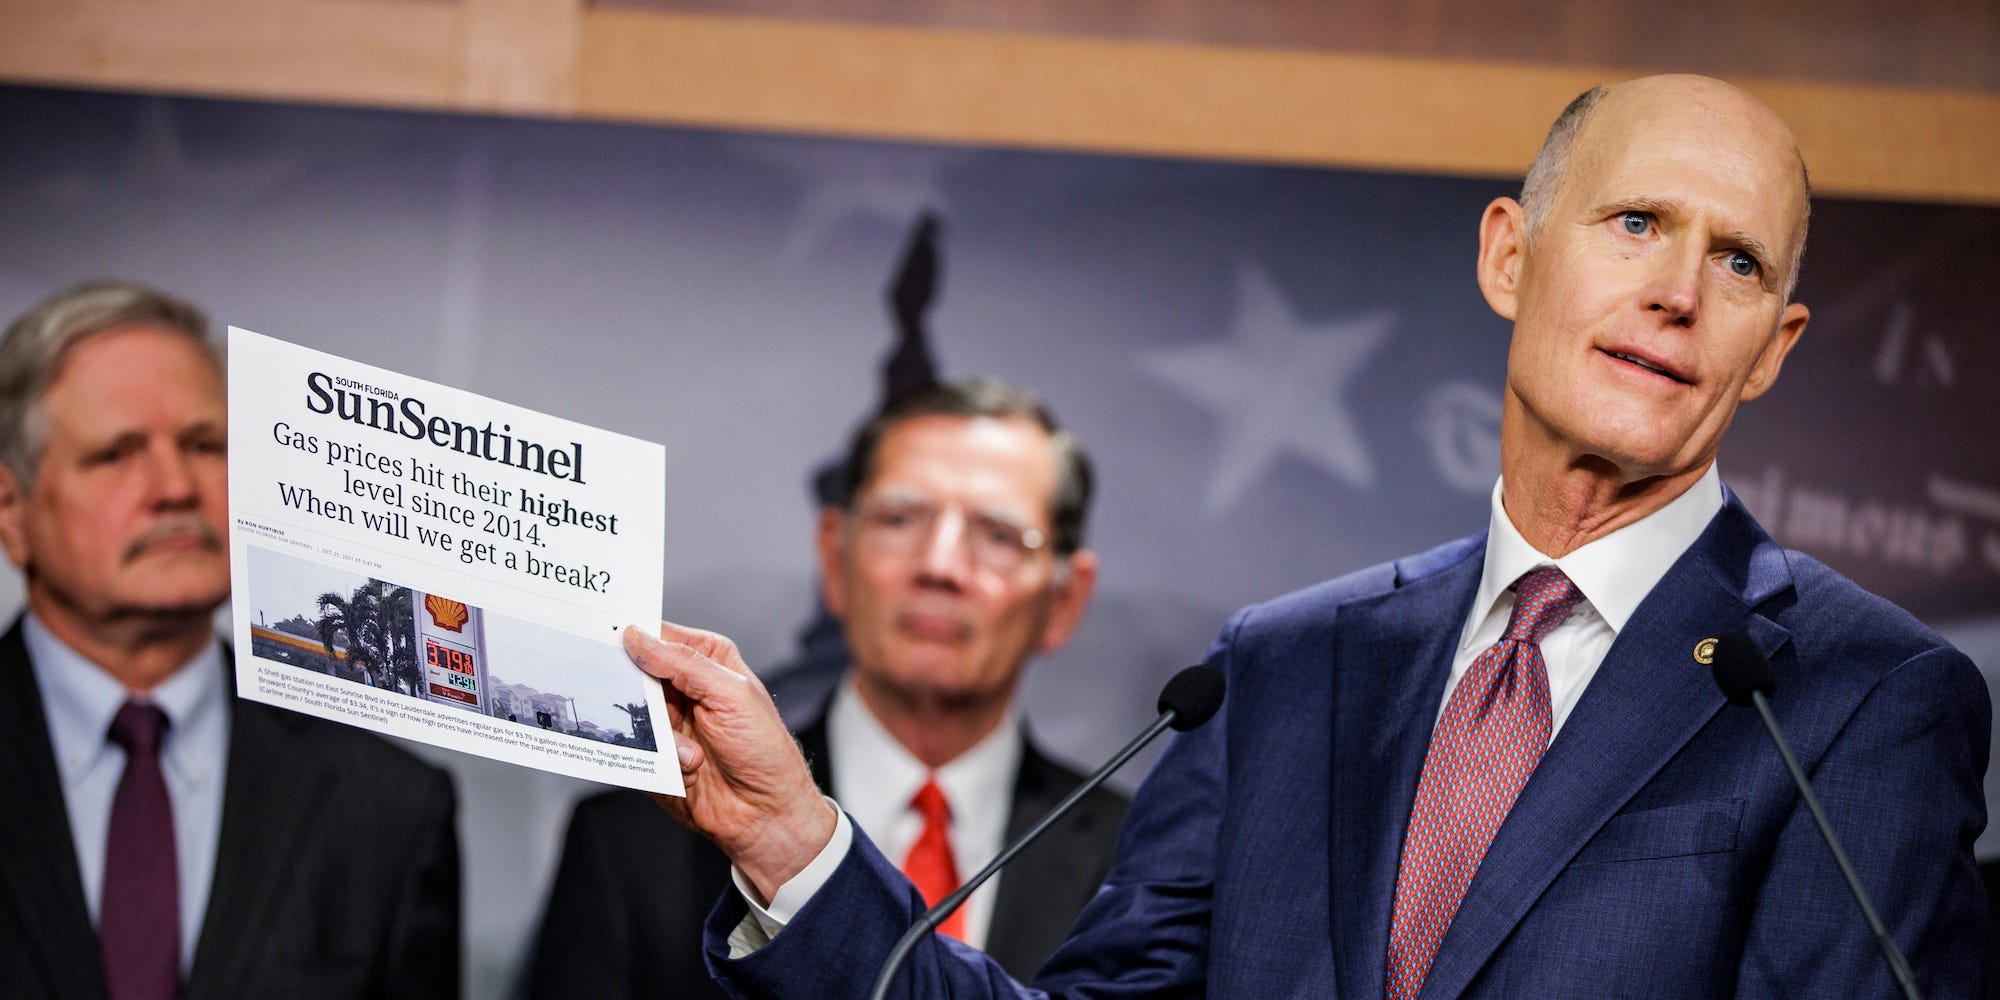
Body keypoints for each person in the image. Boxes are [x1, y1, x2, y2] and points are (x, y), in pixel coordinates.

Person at [621, 75, 1992, 997]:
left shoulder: (1858, 702)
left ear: (1773, 349)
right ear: (1510, 255)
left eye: (1739, 262)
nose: (1681, 293)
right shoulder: (1281, 670)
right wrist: (798, 842)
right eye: (1636, 223)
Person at [526, 378, 1126, 997]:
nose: (940, 566)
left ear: (1065, 598)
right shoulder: (635, 843)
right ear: (833, 556)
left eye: (998, 535)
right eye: (900, 519)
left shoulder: (1138, 863)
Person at [0, 282, 461, 999]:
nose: (176, 487)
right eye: (117, 453)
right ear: (12, 510)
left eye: (205, 445)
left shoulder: (388, 806)